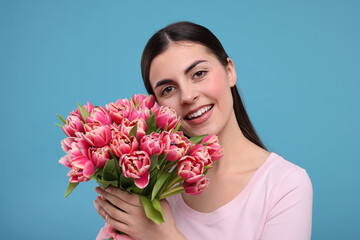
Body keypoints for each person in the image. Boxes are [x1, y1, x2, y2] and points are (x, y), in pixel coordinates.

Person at [94, 21, 313, 240]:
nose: (187, 96)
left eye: (198, 74)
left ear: (230, 71)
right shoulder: (149, 182)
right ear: (157, 106)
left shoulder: (285, 184)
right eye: (168, 89)